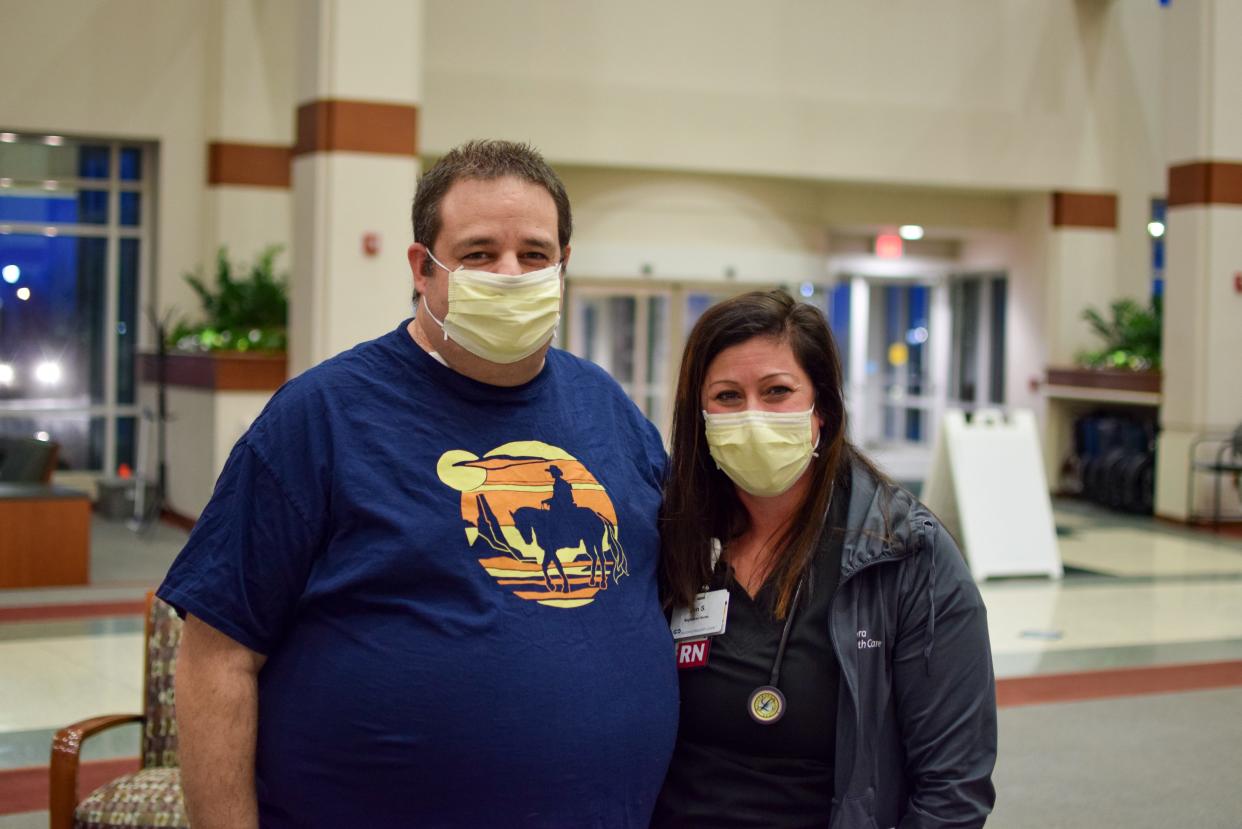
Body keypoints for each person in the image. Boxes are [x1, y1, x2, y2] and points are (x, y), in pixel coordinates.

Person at [158, 140, 677, 828]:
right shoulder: (322, 416)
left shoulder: (608, 408)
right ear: (422, 268)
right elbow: (215, 656)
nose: (510, 274)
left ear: (563, 266)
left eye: (534, 254)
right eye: (479, 253)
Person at [653, 289, 996, 828]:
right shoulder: (670, 536)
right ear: (699, 416)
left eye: (777, 391)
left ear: (823, 412)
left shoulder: (905, 553)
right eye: (726, 397)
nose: (753, 417)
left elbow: (953, 788)